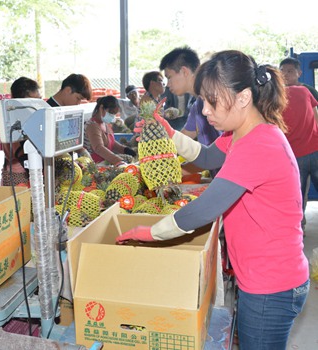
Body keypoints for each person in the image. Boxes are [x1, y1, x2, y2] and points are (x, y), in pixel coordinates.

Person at [118, 50, 309, 350]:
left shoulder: (258, 145)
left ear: (244, 97)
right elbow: (206, 156)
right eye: (203, 101)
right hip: (266, 277)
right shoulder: (242, 133)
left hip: (271, 287)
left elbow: (202, 211)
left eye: (212, 101)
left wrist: (148, 232)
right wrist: (169, 133)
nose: (205, 111)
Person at [159, 46, 221, 147]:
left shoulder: (218, 98)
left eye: (169, 77)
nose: (168, 84)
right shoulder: (197, 107)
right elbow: (185, 137)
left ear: (184, 72)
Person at [281, 84, 318, 231]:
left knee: (297, 196)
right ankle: (299, 228)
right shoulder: (303, 91)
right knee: (298, 196)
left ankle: (298, 229)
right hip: (306, 153)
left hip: (301, 156)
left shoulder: (276, 97)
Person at [1, 77, 41, 187]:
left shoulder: (32, 116)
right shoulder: (11, 119)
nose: (37, 105)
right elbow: (20, 152)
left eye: (39, 99)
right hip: (19, 176)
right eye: (32, 101)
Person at [47, 73, 93, 158]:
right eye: (78, 98)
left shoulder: (67, 111)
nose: (78, 103)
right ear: (68, 90)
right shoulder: (48, 112)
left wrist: (81, 150)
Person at [84, 95, 136, 167]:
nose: (112, 116)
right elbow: (99, 148)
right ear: (102, 108)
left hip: (106, 162)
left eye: (114, 114)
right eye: (111, 112)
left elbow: (111, 142)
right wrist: (119, 161)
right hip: (96, 165)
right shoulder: (92, 126)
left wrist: (126, 150)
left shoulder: (104, 123)